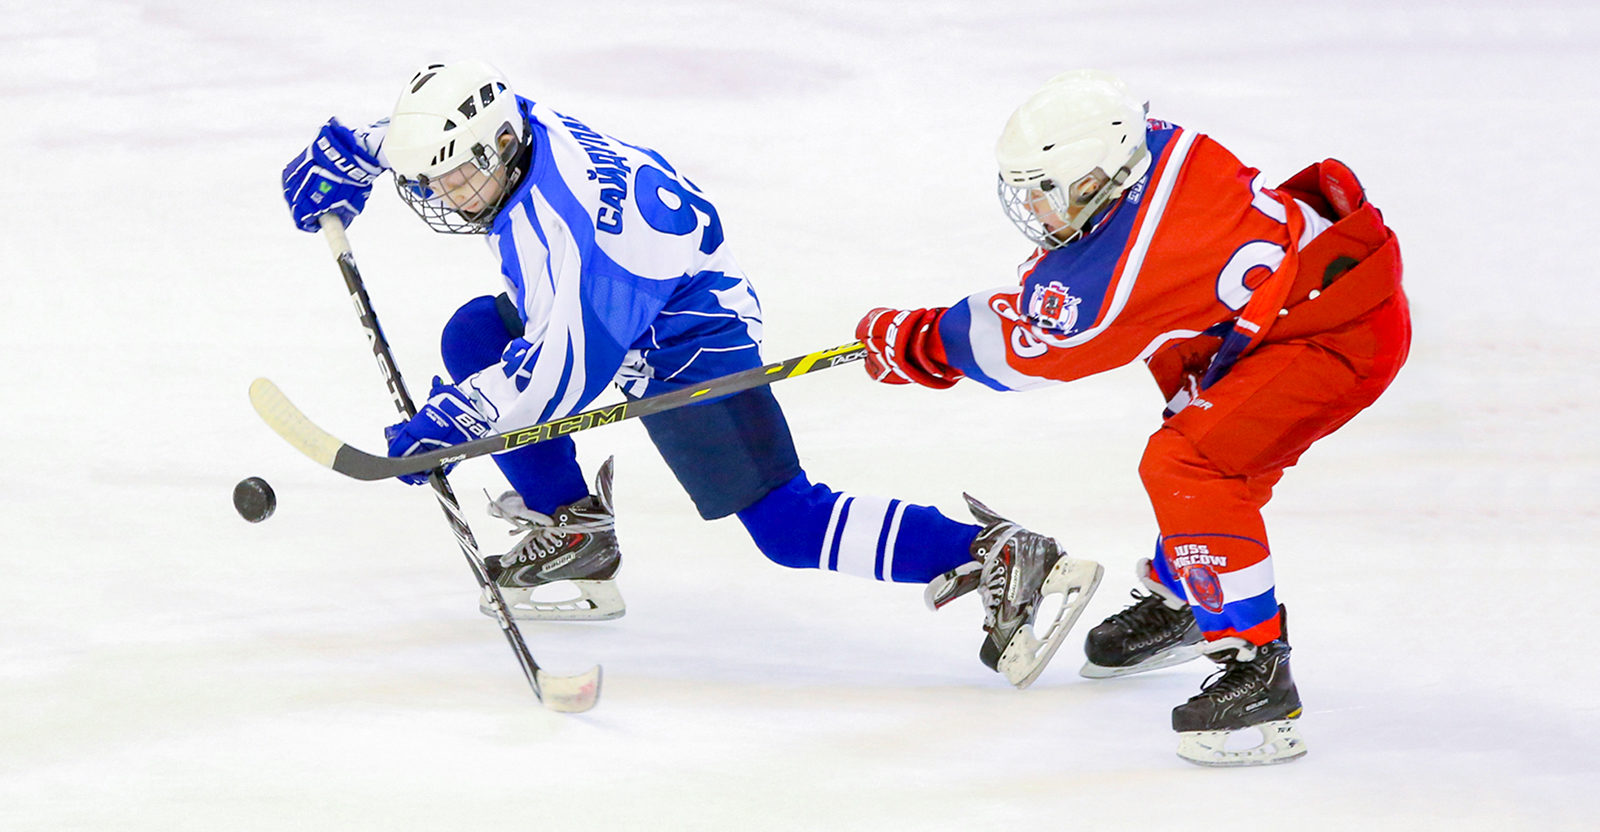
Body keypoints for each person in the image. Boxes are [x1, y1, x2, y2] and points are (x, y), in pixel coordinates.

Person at [278, 60, 1103, 681]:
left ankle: (998, 555)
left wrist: (450, 424)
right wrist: (357, 150)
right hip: (634, 298)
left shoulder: (575, 240)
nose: (446, 194)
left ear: (498, 149)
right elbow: (442, 131)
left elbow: (555, 379)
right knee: (476, 333)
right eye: (433, 177)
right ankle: (574, 534)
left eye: (457, 177)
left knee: (785, 524)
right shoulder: (516, 130)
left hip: (690, 335)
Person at [854, 70, 1410, 766]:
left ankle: (1257, 667)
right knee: (1203, 437)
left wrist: (919, 342)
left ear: (1095, 178)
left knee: (1192, 464)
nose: (1033, 206)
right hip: (1288, 306)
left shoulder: (1132, 263)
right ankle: (1189, 599)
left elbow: (1036, 347)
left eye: (1044, 189)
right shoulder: (1144, 152)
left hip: (1336, 335)